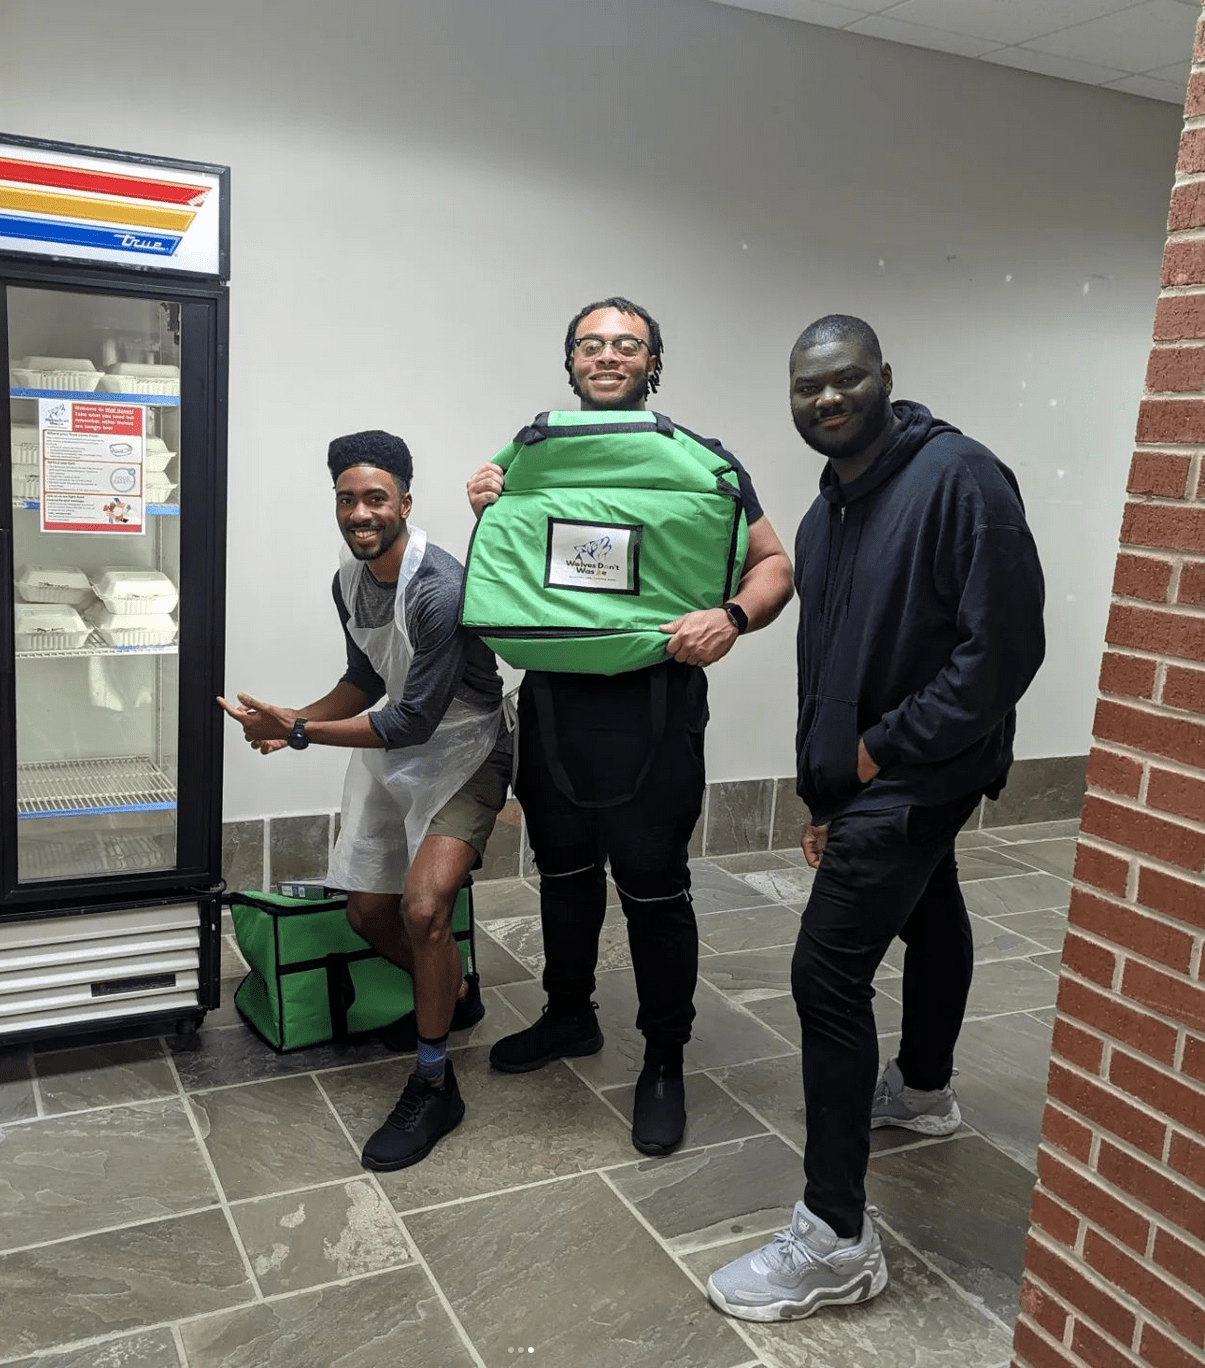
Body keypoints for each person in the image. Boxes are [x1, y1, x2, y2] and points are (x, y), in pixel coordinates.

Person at [707, 315, 1046, 1321]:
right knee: (930, 909)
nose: (826, 399)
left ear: (885, 379)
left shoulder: (962, 480)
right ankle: (928, 1092)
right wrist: (824, 792)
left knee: (824, 973)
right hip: (872, 778)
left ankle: (836, 1238)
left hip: (922, 769)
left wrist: (880, 753)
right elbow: (831, 671)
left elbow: (1002, 654)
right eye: (807, 386)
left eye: (846, 379)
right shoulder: (827, 513)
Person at [466, 297, 794, 1156]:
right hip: (553, 704)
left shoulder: (704, 462)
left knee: (653, 886)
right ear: (569, 363)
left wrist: (732, 615)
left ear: (653, 365)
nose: (606, 355)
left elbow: (774, 562)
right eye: (590, 344)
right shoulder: (527, 458)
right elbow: (521, 571)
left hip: (653, 706)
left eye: (627, 345)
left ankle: (665, 1059)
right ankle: (569, 1015)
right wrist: (488, 509)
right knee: (565, 875)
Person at [219, 430, 510, 1172]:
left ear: (405, 503)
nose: (360, 512)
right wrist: (291, 722)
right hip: (394, 750)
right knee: (367, 913)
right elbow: (365, 676)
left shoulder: (440, 587)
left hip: (465, 749)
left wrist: (305, 731)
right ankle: (456, 992)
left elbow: (413, 717)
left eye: (375, 498)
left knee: (423, 909)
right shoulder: (348, 579)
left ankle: (434, 1081)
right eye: (347, 499)